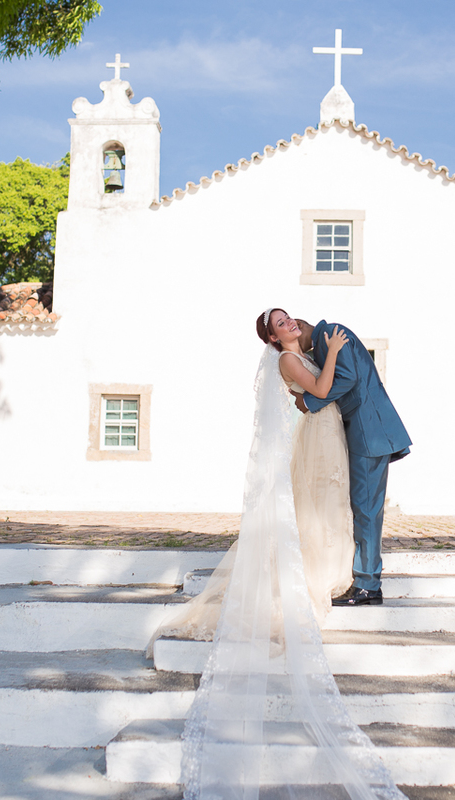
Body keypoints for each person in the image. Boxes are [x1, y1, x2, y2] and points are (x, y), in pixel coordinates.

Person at [153, 308, 407, 800]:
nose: (290, 323)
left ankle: (362, 578)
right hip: (327, 436)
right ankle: (354, 577)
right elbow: (323, 386)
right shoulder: (297, 357)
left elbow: (328, 388)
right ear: (272, 339)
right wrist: (316, 385)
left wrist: (312, 393)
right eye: (280, 323)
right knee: (335, 503)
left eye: (289, 317)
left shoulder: (324, 340)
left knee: (345, 506)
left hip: (342, 431)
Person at [292, 318, 412, 607]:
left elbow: (348, 378)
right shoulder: (323, 342)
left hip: (369, 431)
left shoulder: (330, 334)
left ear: (299, 325)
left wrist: (310, 402)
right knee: (362, 509)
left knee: (367, 512)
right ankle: (364, 581)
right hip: (362, 432)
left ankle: (368, 586)